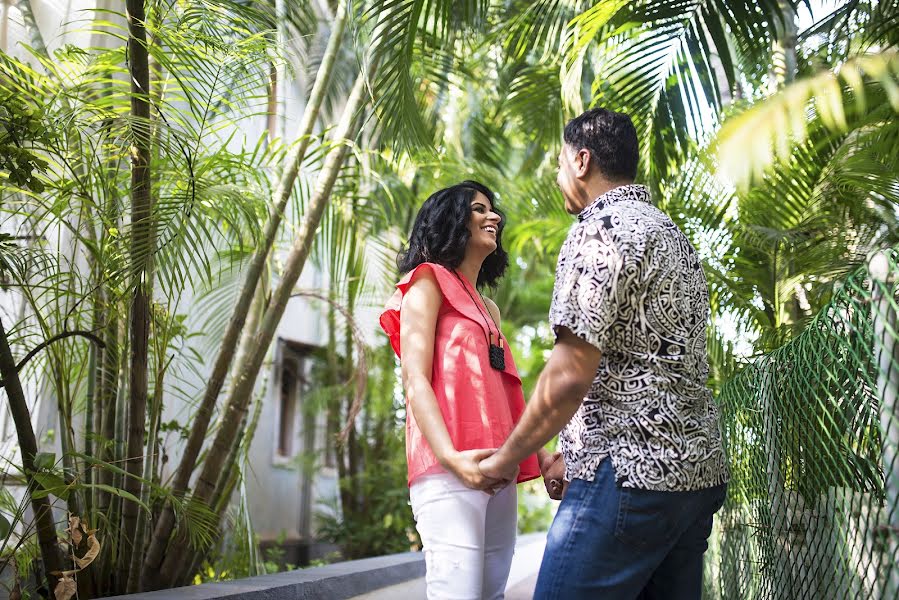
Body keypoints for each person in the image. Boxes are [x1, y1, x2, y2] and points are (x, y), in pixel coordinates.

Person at [479, 108, 730, 599]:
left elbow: (571, 373)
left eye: (559, 162)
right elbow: (644, 363)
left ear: (582, 160)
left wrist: (507, 459)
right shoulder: (673, 237)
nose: (557, 175)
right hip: (697, 476)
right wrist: (570, 454)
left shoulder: (600, 229)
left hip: (629, 478)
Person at [379, 180, 553, 600]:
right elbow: (415, 379)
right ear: (451, 221)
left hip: (500, 470)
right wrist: (451, 458)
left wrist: (542, 457)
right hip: (448, 468)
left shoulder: (488, 308)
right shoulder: (427, 283)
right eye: (479, 209)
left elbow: (507, 391)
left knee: (492, 594)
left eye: (492, 210)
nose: (493, 217)